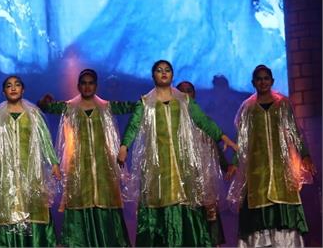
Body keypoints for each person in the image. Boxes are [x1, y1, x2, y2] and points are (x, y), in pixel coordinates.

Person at [118, 60, 238, 247]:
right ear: (153, 75)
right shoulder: (145, 102)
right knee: (158, 203)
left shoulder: (184, 100)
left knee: (185, 202)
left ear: (172, 75)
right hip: (157, 166)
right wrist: (124, 146)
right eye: (159, 70)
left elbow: (202, 120)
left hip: (183, 164)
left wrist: (222, 137)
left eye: (167, 70)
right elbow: (133, 125)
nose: (163, 73)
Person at [38, 69, 134, 247]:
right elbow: (47, 107)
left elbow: (131, 107)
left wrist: (146, 102)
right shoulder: (69, 107)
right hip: (79, 165)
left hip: (103, 166)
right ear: (78, 86)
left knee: (105, 201)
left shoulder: (106, 107)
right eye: (84, 83)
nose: (87, 86)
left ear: (96, 86)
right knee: (79, 201)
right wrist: (44, 102)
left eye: (91, 83)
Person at [226, 64, 316, 247]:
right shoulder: (248, 108)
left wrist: (305, 155)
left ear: (272, 81)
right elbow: (241, 139)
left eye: (266, 78)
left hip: (281, 168)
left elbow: (294, 132)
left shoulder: (283, 104)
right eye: (259, 79)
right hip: (257, 170)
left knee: (282, 206)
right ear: (253, 82)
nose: (263, 82)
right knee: (257, 207)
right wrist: (234, 162)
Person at [0, 75, 60, 247]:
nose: (13, 88)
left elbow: (45, 139)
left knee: (32, 207)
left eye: (17, 85)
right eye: (9, 85)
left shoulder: (33, 114)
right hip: (4, 172)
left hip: (30, 171)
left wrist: (54, 163)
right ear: (3, 91)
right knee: (6, 208)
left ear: (23, 90)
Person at [176, 80, 232, 246]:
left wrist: (226, 165)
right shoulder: (172, 122)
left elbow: (214, 145)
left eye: (189, 90)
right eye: (182, 91)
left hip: (204, 179)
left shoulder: (203, 121)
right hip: (182, 180)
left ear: (194, 95)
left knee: (208, 216)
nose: (186, 94)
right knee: (187, 217)